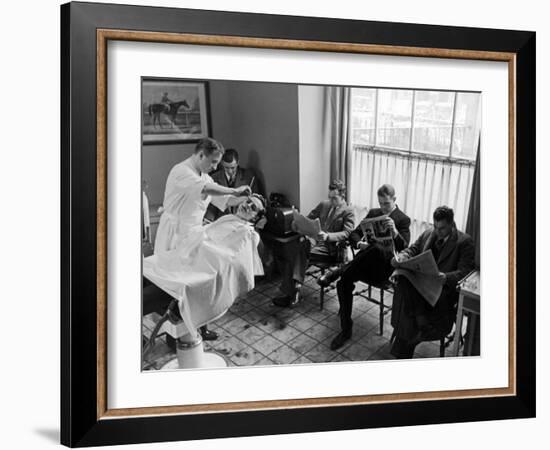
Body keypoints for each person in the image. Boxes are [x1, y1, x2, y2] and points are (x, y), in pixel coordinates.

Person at [153, 137, 252, 340]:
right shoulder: (181, 171)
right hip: (175, 234)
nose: (215, 166)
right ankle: (176, 337)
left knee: (200, 282)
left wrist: (244, 198)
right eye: (214, 162)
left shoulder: (205, 176)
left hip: (194, 233)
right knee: (178, 285)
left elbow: (224, 199)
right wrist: (234, 189)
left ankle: (200, 325)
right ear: (200, 155)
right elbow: (206, 190)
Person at [144, 194, 267, 340]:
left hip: (202, 271)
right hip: (189, 261)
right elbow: (207, 237)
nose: (247, 205)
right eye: (247, 201)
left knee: (150, 293)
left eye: (253, 207)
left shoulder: (247, 233)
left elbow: (230, 258)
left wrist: (203, 242)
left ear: (254, 218)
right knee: (148, 268)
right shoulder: (228, 219)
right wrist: (201, 233)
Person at [323, 184, 411, 350]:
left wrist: (395, 233)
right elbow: (354, 233)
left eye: (386, 203)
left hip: (384, 270)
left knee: (377, 248)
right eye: (381, 203)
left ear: (394, 200)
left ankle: (340, 270)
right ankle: (346, 329)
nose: (383, 207)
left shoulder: (402, 219)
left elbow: (405, 247)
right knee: (344, 283)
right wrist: (360, 243)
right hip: (364, 263)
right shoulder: (374, 213)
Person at [389, 206, 475, 359]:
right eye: (435, 226)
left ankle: (405, 346)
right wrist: (402, 257)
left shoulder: (464, 242)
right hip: (422, 287)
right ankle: (420, 322)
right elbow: (413, 249)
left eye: (441, 228)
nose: (437, 231)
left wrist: (446, 277)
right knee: (402, 278)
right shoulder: (429, 232)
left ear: (451, 224)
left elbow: (465, 271)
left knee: (407, 318)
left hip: (443, 291)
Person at [272, 180, 355, 307]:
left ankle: (292, 292)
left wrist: (328, 236)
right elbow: (308, 218)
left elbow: (347, 233)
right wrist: (297, 223)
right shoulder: (324, 205)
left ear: (343, 195)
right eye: (330, 197)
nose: (331, 201)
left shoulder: (348, 211)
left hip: (331, 249)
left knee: (298, 252)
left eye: (335, 198)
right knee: (298, 249)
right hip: (314, 242)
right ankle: (294, 290)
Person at [206, 148, 260, 220]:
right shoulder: (213, 178)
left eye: (233, 167)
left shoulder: (249, 176)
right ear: (221, 163)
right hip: (222, 221)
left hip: (243, 220)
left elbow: (257, 202)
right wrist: (209, 222)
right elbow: (211, 204)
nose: (230, 171)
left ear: (238, 163)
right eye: (226, 168)